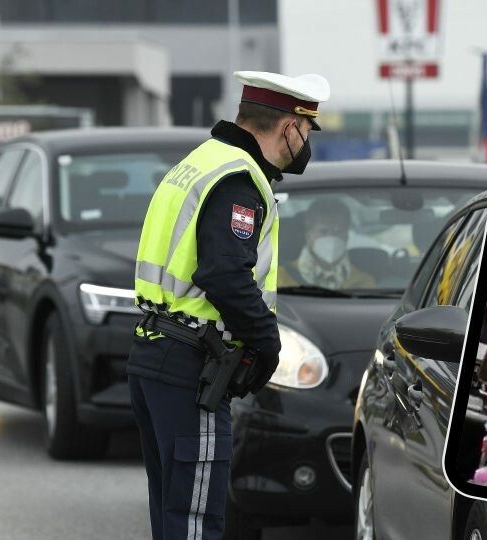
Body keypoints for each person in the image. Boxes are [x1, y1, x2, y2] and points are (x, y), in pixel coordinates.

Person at [127, 70, 329, 540]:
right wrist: (267, 341)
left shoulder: (201, 161)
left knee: (173, 517)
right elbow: (223, 275)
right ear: (289, 127)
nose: (306, 143)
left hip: (157, 354)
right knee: (196, 520)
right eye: (307, 132)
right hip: (192, 367)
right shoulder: (239, 180)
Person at [277, 197, 375, 289]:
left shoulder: (363, 282)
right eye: (323, 231)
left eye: (338, 231)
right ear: (308, 235)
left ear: (346, 237)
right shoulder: (280, 278)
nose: (331, 237)